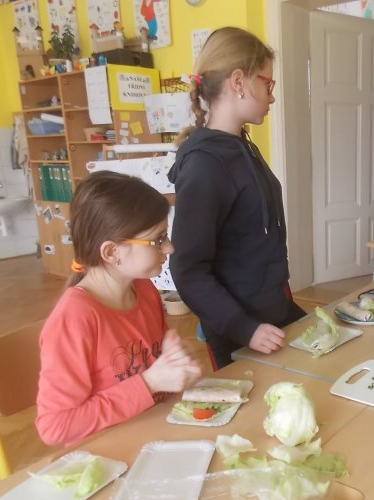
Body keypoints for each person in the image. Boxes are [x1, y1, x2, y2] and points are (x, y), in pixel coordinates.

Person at [168, 27, 305, 369]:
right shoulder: (205, 165)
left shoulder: (241, 145)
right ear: (239, 81)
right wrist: (246, 329)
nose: (272, 97)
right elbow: (187, 269)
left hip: (271, 310)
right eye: (268, 84)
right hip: (239, 330)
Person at [36, 172, 203, 446]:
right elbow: (55, 427)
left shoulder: (144, 289)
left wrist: (174, 358)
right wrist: (149, 383)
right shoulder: (74, 319)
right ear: (112, 252)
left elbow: (155, 365)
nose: (170, 247)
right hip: (108, 451)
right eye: (158, 239)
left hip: (155, 434)